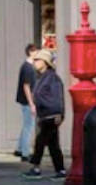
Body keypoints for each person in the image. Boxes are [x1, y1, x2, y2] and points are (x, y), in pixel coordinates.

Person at [24, 47, 66, 180]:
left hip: (52, 115)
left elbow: (57, 97)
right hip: (44, 115)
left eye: (37, 59)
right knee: (53, 145)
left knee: (40, 142)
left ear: (45, 62)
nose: (34, 62)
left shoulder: (52, 78)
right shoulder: (41, 78)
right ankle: (60, 171)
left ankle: (36, 168)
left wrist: (59, 113)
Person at [15, 42, 39, 160]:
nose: (37, 54)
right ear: (30, 52)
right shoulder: (28, 68)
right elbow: (26, 86)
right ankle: (25, 153)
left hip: (24, 100)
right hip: (27, 101)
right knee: (29, 126)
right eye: (35, 51)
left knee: (26, 125)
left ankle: (19, 149)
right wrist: (32, 103)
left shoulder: (27, 66)